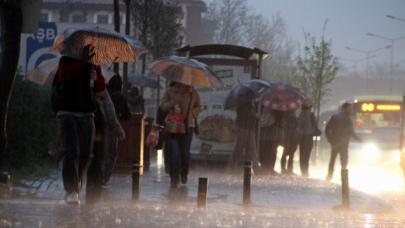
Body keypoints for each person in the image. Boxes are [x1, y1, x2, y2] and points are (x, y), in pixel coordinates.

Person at [53, 49, 124, 204]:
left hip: (87, 113)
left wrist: (96, 77)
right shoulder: (65, 61)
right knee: (72, 151)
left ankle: (76, 181)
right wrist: (83, 62)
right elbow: (66, 77)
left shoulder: (93, 64)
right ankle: (71, 190)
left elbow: (99, 88)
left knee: (86, 153)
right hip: (68, 112)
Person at [160, 82, 202, 188]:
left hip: (188, 126)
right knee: (174, 153)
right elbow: (162, 106)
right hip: (173, 126)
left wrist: (192, 113)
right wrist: (172, 103)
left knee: (184, 153)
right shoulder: (170, 91)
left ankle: (184, 173)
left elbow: (199, 107)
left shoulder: (193, 93)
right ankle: (174, 178)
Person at [101, 75, 131, 185]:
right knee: (111, 153)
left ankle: (98, 175)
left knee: (101, 152)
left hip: (100, 126)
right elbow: (127, 115)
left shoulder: (104, 94)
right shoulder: (120, 96)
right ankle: (105, 177)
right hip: (112, 128)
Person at [325, 102, 361, 181]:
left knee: (333, 159)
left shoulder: (335, 117)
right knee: (344, 161)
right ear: (344, 109)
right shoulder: (347, 119)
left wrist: (330, 139)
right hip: (343, 143)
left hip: (335, 142)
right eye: (349, 109)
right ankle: (344, 178)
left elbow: (327, 129)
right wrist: (359, 140)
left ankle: (329, 176)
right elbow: (351, 132)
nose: (351, 110)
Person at [231, 96, 259, 169]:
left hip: (250, 128)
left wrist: (255, 115)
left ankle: (255, 167)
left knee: (251, 149)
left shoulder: (253, 103)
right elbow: (243, 114)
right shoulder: (244, 103)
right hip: (243, 128)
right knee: (239, 148)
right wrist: (254, 115)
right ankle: (233, 166)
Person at [297, 103, 320, 177]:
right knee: (307, 154)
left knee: (302, 153)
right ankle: (305, 171)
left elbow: (298, 125)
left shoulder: (300, 115)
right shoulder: (311, 114)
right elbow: (315, 126)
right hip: (309, 136)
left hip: (301, 136)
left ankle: (302, 170)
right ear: (309, 107)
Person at [259, 109, 284, 175]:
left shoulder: (269, 110)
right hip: (270, 134)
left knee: (269, 151)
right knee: (270, 151)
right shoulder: (273, 110)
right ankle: (267, 168)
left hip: (269, 134)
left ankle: (268, 168)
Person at [280, 111, 298, 175]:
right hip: (290, 138)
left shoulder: (286, 116)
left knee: (287, 154)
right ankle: (287, 169)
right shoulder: (292, 116)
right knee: (289, 154)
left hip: (289, 138)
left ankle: (285, 169)